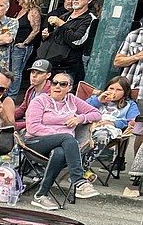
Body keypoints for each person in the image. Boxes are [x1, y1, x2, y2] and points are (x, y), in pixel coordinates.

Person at [23, 72, 102, 208]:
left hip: (63, 146)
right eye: (55, 83)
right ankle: (79, 180)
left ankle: (40, 195)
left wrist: (79, 118)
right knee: (67, 138)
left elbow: (96, 114)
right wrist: (59, 136)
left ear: (69, 87)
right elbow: (33, 127)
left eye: (63, 84)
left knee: (59, 153)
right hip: (36, 142)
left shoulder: (72, 100)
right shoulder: (40, 101)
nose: (57, 86)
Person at [39, 0, 98, 83]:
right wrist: (46, 37)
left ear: (90, 0)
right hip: (47, 65)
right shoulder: (65, 16)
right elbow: (57, 38)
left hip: (65, 69)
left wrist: (61, 24)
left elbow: (77, 41)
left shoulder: (90, 19)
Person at [10, 0, 42, 98]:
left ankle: (12, 96)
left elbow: (36, 30)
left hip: (21, 47)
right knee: (8, 71)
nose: (18, 0)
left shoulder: (33, 12)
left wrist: (25, 43)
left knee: (16, 72)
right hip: (12, 44)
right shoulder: (19, 11)